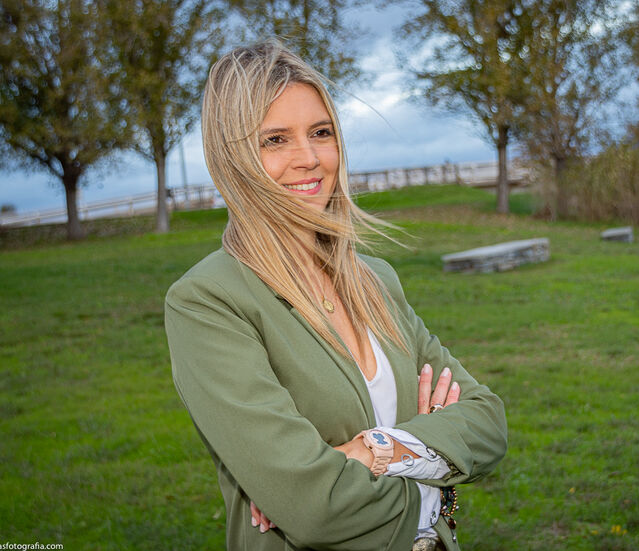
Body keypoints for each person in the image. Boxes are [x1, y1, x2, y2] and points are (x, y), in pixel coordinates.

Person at [164, 40, 507, 551]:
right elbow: (315, 507)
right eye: (274, 140)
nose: (308, 158)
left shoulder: (377, 280)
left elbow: (487, 421)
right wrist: (433, 479)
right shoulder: (208, 301)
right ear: (232, 158)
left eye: (320, 133)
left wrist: (372, 450)